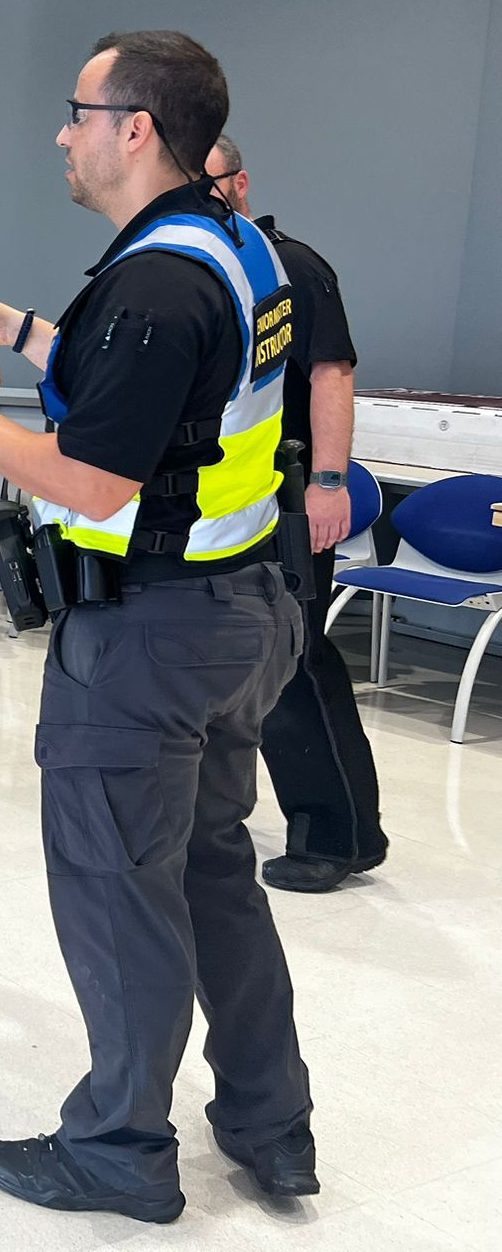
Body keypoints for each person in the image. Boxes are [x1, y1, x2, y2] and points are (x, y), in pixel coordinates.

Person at [0, 33, 316, 1222]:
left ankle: (119, 1149)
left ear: (135, 128)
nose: (61, 133)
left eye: (76, 111)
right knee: (212, 873)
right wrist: (24, 328)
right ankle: (269, 1129)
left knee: (120, 887)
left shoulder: (150, 282)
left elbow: (91, 484)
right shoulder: (232, 248)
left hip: (147, 640)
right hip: (239, 615)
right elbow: (174, 395)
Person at [208, 134, 388, 893]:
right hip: (232, 498)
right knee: (266, 661)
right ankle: (340, 825)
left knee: (296, 661)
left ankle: (335, 838)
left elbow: (332, 373)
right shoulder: (214, 269)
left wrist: (328, 482)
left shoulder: (293, 268)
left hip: (287, 491)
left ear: (240, 183)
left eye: (208, 181)